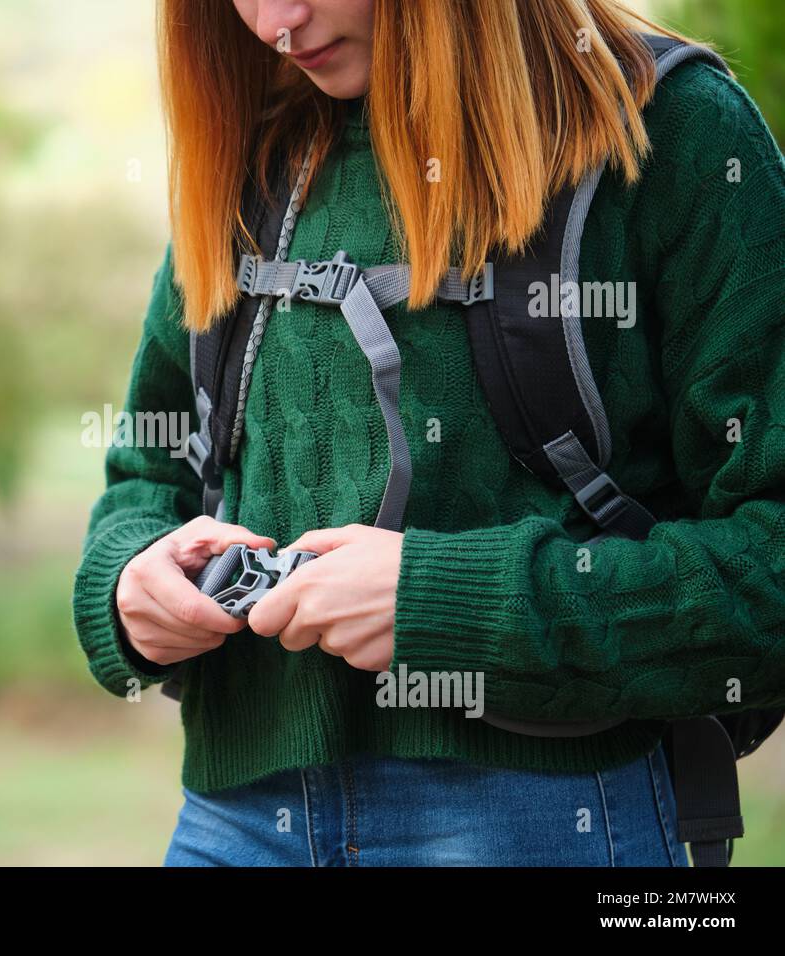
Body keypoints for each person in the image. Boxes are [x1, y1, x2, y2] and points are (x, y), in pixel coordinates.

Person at [72, 0, 785, 866]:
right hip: (233, 823)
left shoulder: (672, 130)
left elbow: (770, 565)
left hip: (545, 824)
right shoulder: (254, 155)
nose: (273, 23)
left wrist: (448, 604)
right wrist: (126, 588)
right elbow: (148, 476)